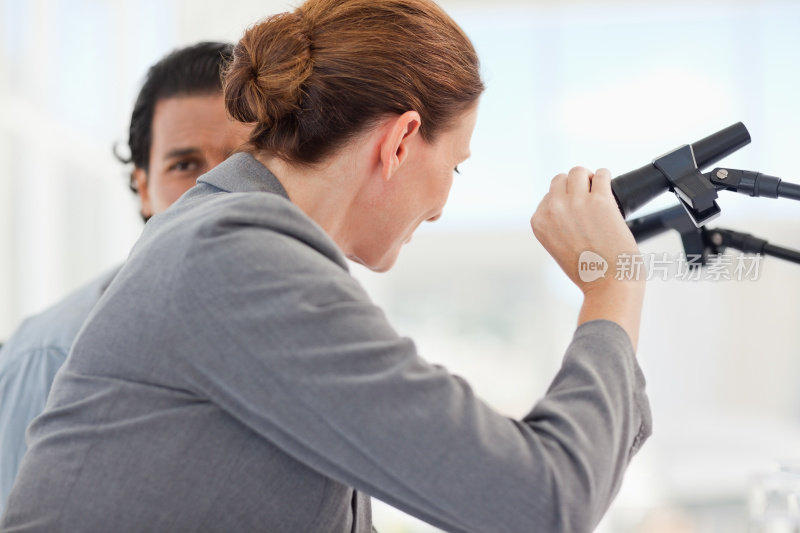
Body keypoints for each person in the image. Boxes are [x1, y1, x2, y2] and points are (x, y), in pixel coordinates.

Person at [1, 1, 651, 532]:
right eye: (454, 166)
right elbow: (541, 505)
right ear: (399, 141)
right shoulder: (239, 259)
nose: (442, 205)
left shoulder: (233, 239)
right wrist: (614, 285)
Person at [0, 41, 251, 516]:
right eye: (186, 165)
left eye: (245, 164)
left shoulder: (306, 336)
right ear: (144, 189)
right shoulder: (53, 352)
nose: (221, 191)